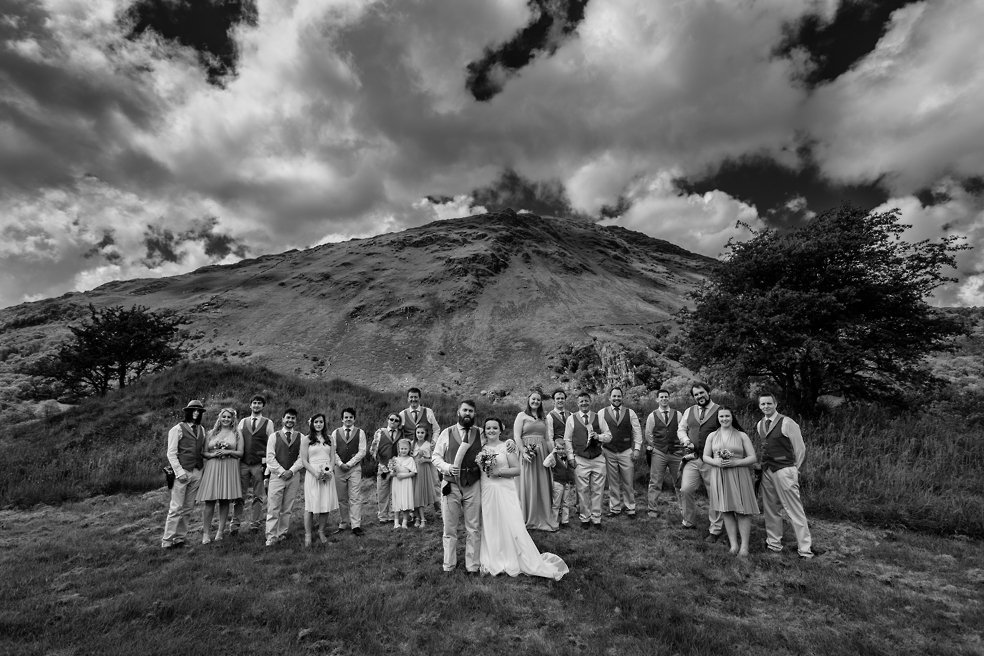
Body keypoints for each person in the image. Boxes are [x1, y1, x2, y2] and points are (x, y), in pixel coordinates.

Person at [478, 417, 569, 580]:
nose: (491, 431)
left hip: (504, 489)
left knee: (509, 522)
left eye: (495, 428)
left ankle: (512, 556)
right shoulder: (481, 447)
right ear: (484, 430)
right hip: (487, 490)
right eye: (488, 428)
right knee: (491, 521)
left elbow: (517, 470)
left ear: (500, 429)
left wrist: (498, 473)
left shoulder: (507, 446)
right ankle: (493, 555)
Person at [757, 392, 815, 559]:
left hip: (785, 469)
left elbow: (800, 448)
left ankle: (805, 549)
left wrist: (796, 469)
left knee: (793, 510)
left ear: (775, 404)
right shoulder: (760, 424)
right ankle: (773, 543)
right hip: (767, 470)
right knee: (770, 508)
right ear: (760, 406)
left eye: (769, 403)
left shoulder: (787, 422)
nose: (766, 407)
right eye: (763, 404)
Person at [432, 399, 483, 573]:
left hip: (473, 485)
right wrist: (447, 467)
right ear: (458, 412)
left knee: (474, 527)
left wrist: (509, 444)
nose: (467, 414)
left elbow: (494, 447)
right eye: (465, 410)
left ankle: (473, 566)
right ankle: (449, 565)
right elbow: (435, 457)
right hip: (451, 485)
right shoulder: (447, 432)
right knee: (449, 527)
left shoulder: (481, 433)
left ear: (474, 414)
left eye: (471, 411)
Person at [703, 407, 759, 556]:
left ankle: (744, 547)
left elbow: (753, 458)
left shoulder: (742, 435)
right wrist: (716, 462)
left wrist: (736, 463)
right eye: (721, 416)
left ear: (732, 417)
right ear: (718, 418)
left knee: (742, 511)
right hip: (720, 474)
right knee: (726, 510)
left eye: (727, 416)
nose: (724, 419)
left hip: (740, 474)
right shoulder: (712, 436)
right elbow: (705, 457)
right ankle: (734, 545)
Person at [677, 382, 724, 541]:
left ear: (708, 392)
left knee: (715, 494)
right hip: (693, 457)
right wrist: (685, 440)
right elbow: (681, 429)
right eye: (696, 394)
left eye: (702, 393)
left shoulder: (720, 411)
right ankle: (688, 521)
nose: (699, 396)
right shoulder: (689, 411)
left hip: (712, 460)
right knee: (686, 489)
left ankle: (715, 529)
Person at [161, 400, 206, 549]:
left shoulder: (202, 430)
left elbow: (201, 451)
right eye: (194, 410)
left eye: (199, 411)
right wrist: (179, 472)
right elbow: (171, 453)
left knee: (188, 508)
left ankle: (180, 538)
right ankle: (167, 541)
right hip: (182, 473)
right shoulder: (177, 429)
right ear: (188, 411)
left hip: (196, 472)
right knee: (176, 508)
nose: (196, 413)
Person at [563, 391, 612, 529]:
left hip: (597, 458)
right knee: (582, 490)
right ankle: (585, 518)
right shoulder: (571, 419)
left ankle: (596, 518)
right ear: (577, 403)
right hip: (580, 458)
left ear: (590, 402)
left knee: (598, 490)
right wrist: (571, 457)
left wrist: (599, 437)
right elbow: (567, 440)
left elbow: (609, 436)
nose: (584, 403)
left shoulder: (599, 417)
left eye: (586, 401)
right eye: (581, 401)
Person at [198, 407, 244, 544]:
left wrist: (228, 452)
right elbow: (204, 452)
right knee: (209, 501)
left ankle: (220, 532)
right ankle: (206, 533)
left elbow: (240, 453)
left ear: (233, 419)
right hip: (213, 467)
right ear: (220, 418)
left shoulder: (237, 433)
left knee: (225, 500)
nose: (226, 419)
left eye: (229, 417)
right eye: (224, 416)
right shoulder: (211, 433)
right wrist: (212, 454)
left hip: (229, 467)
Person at [513, 390, 557, 531]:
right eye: (533, 399)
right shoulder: (521, 416)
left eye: (538, 400)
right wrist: (524, 451)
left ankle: (543, 515)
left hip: (542, 454)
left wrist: (554, 454)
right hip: (527, 455)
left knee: (542, 483)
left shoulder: (544, 418)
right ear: (528, 399)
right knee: (528, 483)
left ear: (541, 402)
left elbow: (548, 439)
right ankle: (528, 516)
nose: (536, 402)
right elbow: (517, 437)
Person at [231, 394, 274, 535]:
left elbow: (271, 445)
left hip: (258, 464)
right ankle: (235, 525)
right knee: (239, 495)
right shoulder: (243, 422)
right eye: (254, 403)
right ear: (250, 405)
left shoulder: (268, 423)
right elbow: (237, 440)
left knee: (258, 496)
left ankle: (255, 523)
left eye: (259, 403)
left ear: (263, 406)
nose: (256, 405)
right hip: (243, 463)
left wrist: (266, 465)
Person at [599, 387, 643, 517]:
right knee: (613, 482)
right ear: (609, 398)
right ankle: (615, 508)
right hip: (608, 451)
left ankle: (630, 508)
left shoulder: (630, 413)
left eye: (619, 396)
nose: (616, 398)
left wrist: (637, 449)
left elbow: (637, 432)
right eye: (614, 396)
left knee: (628, 482)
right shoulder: (602, 412)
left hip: (626, 451)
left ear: (622, 397)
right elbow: (599, 431)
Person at [265, 408, 304, 547]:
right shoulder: (274, 436)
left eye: (293, 418)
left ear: (296, 420)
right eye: (288, 418)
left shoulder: (301, 437)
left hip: (293, 476)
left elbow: (302, 458)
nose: (290, 420)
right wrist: (282, 472)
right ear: (282, 419)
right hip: (277, 476)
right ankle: (271, 536)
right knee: (273, 507)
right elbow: (270, 458)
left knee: (287, 508)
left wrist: (291, 471)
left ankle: (282, 534)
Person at [400, 387, 442, 511]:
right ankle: (414, 509)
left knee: (434, 478)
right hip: (412, 452)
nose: (413, 399)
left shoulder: (428, 411)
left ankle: (439, 506)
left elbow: (436, 429)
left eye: (415, 397)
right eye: (411, 397)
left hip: (427, 450)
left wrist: (434, 442)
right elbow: (400, 433)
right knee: (413, 480)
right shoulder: (402, 414)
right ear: (408, 398)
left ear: (419, 398)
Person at [644, 389, 683, 518]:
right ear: (657, 399)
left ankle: (684, 509)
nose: (664, 399)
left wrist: (680, 446)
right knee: (655, 481)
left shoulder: (678, 414)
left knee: (680, 481)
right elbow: (648, 434)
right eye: (661, 397)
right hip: (659, 452)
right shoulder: (652, 415)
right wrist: (656, 447)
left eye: (666, 396)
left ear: (669, 398)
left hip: (676, 451)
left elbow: (683, 431)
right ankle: (652, 509)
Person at [301, 413, 338, 547]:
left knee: (325, 503)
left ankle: (321, 531)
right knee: (310, 505)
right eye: (316, 422)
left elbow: (333, 457)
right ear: (312, 423)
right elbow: (304, 460)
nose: (318, 424)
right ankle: (308, 534)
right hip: (313, 474)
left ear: (324, 423)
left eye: (321, 422)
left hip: (327, 474)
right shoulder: (306, 439)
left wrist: (330, 471)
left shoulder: (330, 438)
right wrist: (315, 473)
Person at [333, 408, 368, 536]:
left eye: (351, 417)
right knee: (342, 498)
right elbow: (333, 450)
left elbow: (362, 451)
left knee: (355, 497)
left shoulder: (360, 432)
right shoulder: (335, 432)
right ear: (342, 419)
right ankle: (343, 522)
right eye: (346, 417)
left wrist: (350, 464)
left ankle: (356, 525)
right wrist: (341, 464)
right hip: (339, 468)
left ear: (354, 418)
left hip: (354, 469)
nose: (348, 419)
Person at [369, 413, 401, 525]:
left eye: (396, 420)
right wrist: (380, 463)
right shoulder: (380, 432)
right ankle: (382, 516)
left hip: (396, 467)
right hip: (383, 466)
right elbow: (373, 450)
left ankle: (392, 515)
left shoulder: (401, 434)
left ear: (399, 423)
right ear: (387, 420)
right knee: (382, 491)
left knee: (394, 492)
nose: (393, 422)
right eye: (391, 419)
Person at [542, 436, 577, 527]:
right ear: (555, 448)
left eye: (563, 449)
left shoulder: (567, 458)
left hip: (567, 483)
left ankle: (565, 521)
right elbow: (545, 464)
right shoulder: (553, 458)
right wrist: (552, 453)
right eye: (559, 449)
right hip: (557, 483)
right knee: (556, 504)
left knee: (566, 503)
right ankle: (554, 521)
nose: (561, 451)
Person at [411, 425, 438, 528]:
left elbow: (433, 459)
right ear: (415, 433)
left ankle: (422, 519)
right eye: (418, 432)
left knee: (419, 494)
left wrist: (425, 460)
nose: (420, 435)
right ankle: (417, 517)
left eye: (422, 433)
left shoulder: (428, 445)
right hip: (413, 471)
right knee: (413, 494)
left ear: (426, 434)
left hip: (423, 471)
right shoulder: (412, 443)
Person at [390, 439, 417, 529]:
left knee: (406, 501)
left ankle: (404, 522)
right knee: (397, 501)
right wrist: (394, 472)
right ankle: (396, 522)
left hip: (406, 482)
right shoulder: (395, 460)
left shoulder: (410, 459)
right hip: (397, 483)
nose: (403, 451)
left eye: (405, 449)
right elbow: (391, 473)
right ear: (398, 449)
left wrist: (403, 476)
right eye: (401, 449)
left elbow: (413, 473)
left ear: (409, 449)